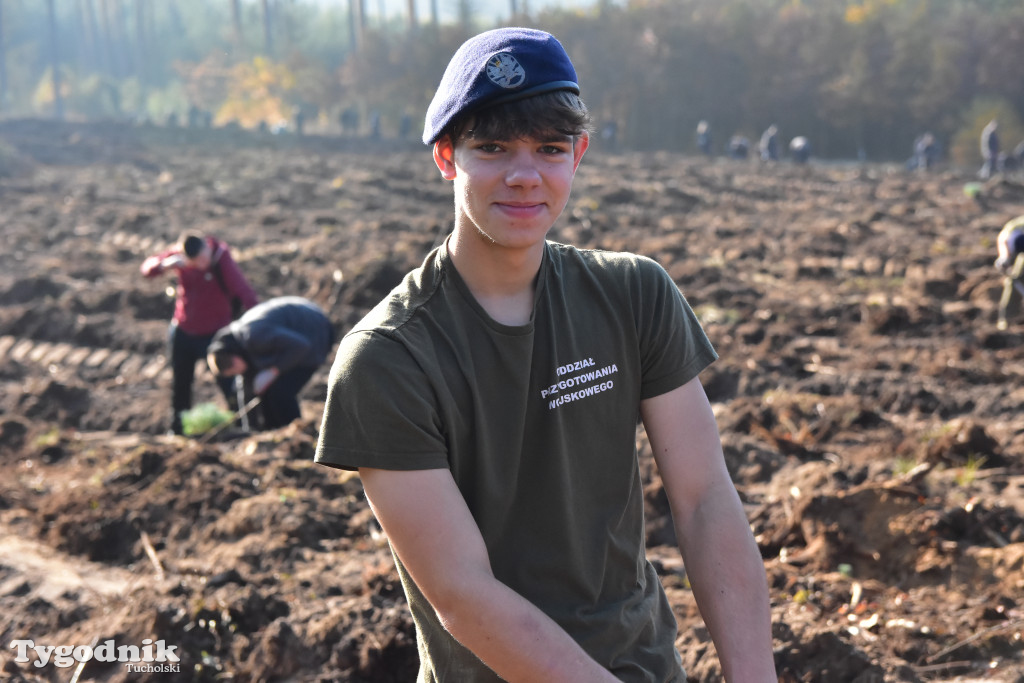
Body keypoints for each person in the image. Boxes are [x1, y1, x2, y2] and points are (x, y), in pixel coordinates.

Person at [314, 27, 776, 682]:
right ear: (447, 156)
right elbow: (461, 592)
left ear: (579, 154)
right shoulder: (387, 359)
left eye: (550, 149)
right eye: (493, 147)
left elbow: (704, 501)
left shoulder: (633, 295)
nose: (525, 174)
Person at [141, 233, 259, 435]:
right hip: (183, 331)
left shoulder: (221, 258)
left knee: (228, 383)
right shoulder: (180, 258)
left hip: (214, 334)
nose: (202, 264)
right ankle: (178, 430)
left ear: (207, 247)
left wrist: (259, 323)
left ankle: (241, 428)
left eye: (204, 259)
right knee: (181, 385)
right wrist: (164, 266)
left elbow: (244, 291)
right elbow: (148, 269)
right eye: (196, 262)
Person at [207, 296, 333, 430]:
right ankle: (272, 431)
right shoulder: (240, 349)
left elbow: (301, 346)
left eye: (234, 369)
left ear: (234, 357)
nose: (238, 373)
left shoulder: (255, 335)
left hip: (316, 331)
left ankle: (296, 432)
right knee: (267, 391)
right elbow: (247, 388)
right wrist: (249, 429)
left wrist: (274, 370)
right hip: (296, 341)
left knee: (280, 390)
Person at [995, 215, 1024, 330]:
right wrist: (1004, 258)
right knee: (1014, 282)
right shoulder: (1016, 229)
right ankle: (1008, 321)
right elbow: (1004, 238)